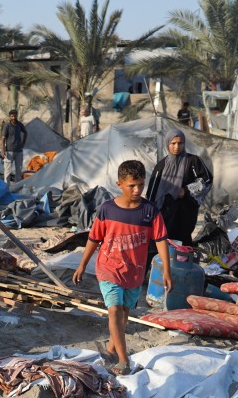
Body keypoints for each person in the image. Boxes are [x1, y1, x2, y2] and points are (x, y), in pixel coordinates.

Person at [71, 160, 170, 376]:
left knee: (124, 316)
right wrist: (82, 265)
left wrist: (166, 271)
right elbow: (94, 238)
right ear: (119, 184)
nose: (137, 190)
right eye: (131, 186)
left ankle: (109, 349)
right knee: (114, 311)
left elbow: (161, 239)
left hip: (134, 273)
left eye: (141, 185)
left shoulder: (150, 211)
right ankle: (123, 360)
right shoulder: (107, 209)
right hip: (108, 268)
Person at [144, 129, 211, 247]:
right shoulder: (161, 165)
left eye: (180, 143)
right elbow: (151, 193)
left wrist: (186, 190)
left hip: (185, 212)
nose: (176, 147)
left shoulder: (193, 161)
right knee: (164, 243)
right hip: (165, 212)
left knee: (183, 244)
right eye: (173, 143)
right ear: (167, 144)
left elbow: (206, 180)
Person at [1, 109, 28, 184]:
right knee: (7, 170)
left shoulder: (19, 124)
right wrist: (3, 150)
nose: (14, 117)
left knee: (18, 170)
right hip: (9, 151)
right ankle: (6, 187)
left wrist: (23, 143)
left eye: (15, 116)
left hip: (19, 150)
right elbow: (3, 138)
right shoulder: (7, 125)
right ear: (10, 117)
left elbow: (26, 132)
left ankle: (17, 186)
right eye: (12, 116)